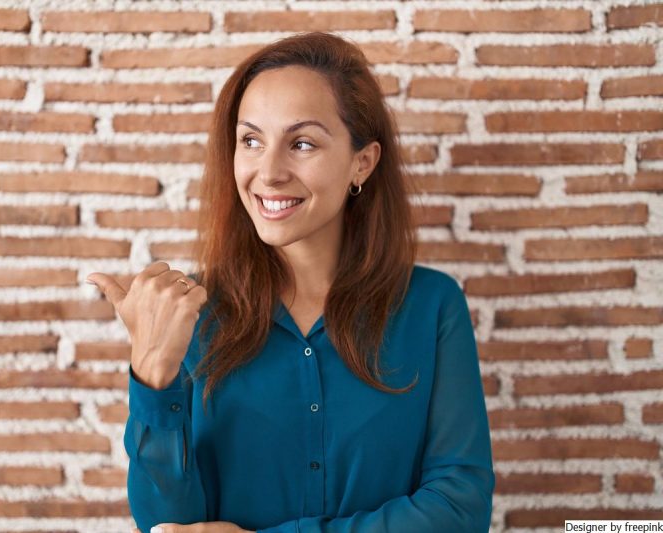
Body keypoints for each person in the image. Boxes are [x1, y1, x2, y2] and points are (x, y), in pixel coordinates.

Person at [87, 31, 495, 533]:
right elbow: (167, 525)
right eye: (251, 140)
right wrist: (153, 371)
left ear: (361, 162)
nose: (269, 171)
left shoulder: (432, 306)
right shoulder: (189, 311)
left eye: (301, 143)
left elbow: (460, 509)